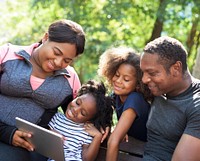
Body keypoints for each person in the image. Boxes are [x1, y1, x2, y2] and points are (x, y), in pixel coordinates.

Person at [0, 19, 85, 161]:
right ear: (45, 38)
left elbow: (82, 113)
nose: (59, 62)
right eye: (56, 52)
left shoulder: (70, 79)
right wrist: (6, 133)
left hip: (31, 148)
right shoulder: (8, 54)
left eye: (67, 60)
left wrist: (101, 125)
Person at [140, 36, 200, 161]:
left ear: (176, 68)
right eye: (143, 73)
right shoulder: (159, 89)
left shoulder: (196, 104)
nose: (144, 79)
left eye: (152, 73)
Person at [98, 47, 153, 161]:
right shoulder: (115, 96)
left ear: (138, 84)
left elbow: (114, 140)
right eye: (117, 75)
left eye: (126, 79)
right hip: (132, 149)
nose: (118, 81)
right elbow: (105, 116)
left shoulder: (135, 99)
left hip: (146, 153)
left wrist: (118, 133)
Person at [47, 80, 114, 161]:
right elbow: (43, 137)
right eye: (77, 103)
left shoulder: (87, 130)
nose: (75, 109)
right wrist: (52, 135)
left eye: (82, 113)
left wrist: (97, 136)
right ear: (76, 97)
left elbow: (86, 159)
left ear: (89, 120)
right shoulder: (57, 118)